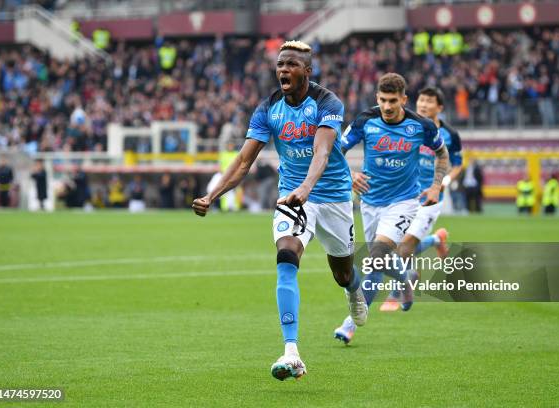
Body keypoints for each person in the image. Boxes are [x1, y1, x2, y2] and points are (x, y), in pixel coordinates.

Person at [192, 41, 367, 381]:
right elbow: (244, 160)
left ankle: (352, 289)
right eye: (280, 65)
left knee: (342, 272)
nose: (283, 70)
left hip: (332, 196)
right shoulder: (268, 107)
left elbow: (322, 151)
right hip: (290, 196)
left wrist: (307, 188)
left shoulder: (327, 102)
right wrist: (213, 195)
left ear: (307, 70)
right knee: (286, 255)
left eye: (291, 64)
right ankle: (292, 351)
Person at [334, 73, 449, 344]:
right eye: (383, 100)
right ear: (377, 98)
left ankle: (351, 322)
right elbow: (336, 150)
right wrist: (350, 175)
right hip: (370, 202)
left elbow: (442, 154)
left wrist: (435, 187)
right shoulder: (365, 120)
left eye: (393, 101)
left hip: (404, 202)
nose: (387, 106)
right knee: (378, 262)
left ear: (403, 100)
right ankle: (406, 278)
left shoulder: (420, 126)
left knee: (376, 256)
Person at [380, 86, 463, 312]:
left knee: (405, 247)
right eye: (421, 100)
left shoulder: (450, 135)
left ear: (440, 107)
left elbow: (457, 164)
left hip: (431, 198)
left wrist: (444, 182)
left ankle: (397, 291)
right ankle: (436, 241)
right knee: (397, 246)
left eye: (429, 101)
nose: (424, 105)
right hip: (405, 194)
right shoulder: (408, 126)